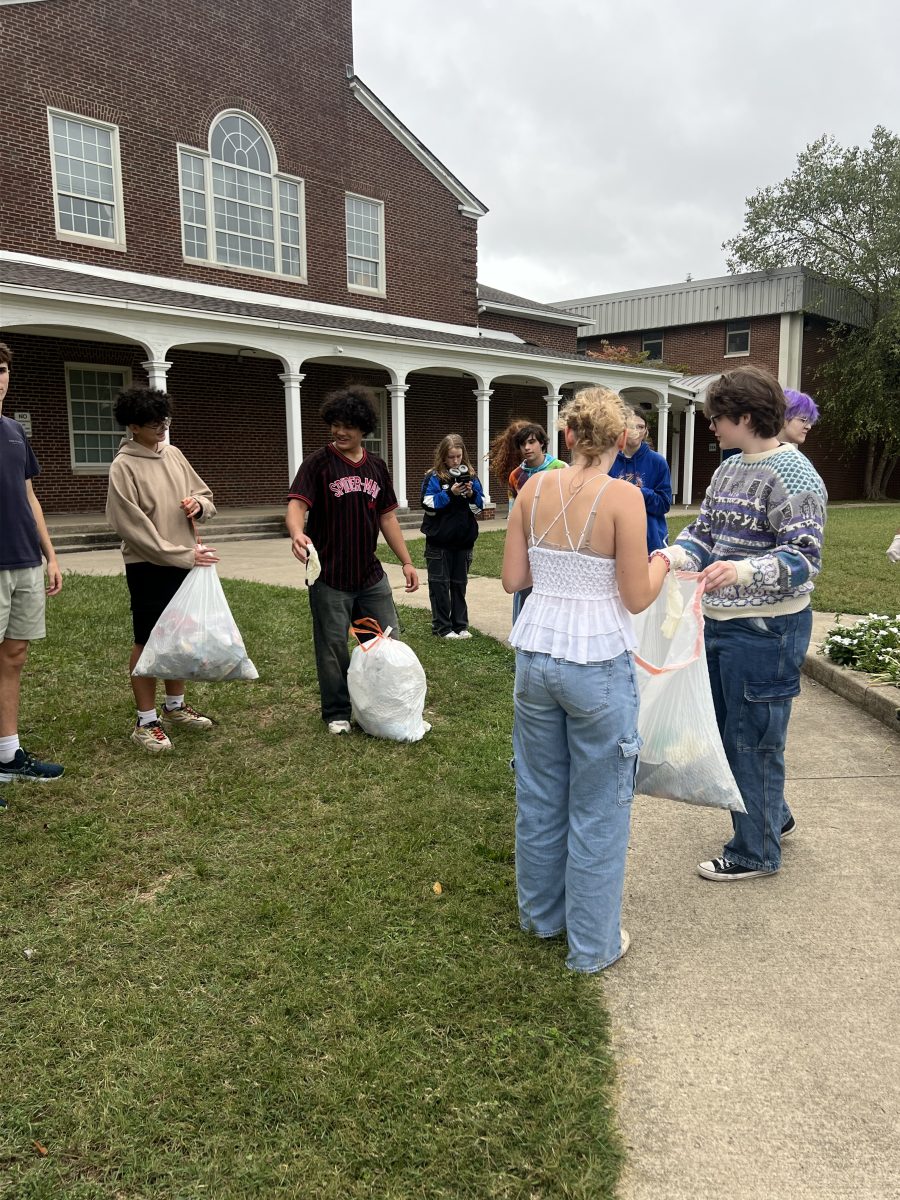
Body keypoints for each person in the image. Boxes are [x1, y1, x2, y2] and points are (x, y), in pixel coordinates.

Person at [502, 386, 672, 973]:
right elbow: (636, 596)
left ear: (567, 435)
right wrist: (664, 561)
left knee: (541, 792)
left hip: (535, 654)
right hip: (596, 661)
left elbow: (512, 579)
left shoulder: (532, 486)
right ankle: (593, 944)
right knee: (599, 805)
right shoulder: (623, 497)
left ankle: (542, 916)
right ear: (621, 439)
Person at [667, 366, 827, 882]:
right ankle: (771, 818)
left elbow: (804, 559)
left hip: (767, 630)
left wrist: (741, 570)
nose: (712, 427)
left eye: (717, 419)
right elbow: (705, 532)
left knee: (753, 738)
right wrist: (674, 557)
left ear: (745, 417)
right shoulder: (729, 469)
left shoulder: (796, 475)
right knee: (727, 731)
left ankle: (754, 852)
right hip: (719, 624)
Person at [286, 386, 419, 734]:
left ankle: (380, 703)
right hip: (329, 575)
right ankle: (337, 712)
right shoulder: (318, 464)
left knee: (382, 639)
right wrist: (297, 532)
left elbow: (387, 518)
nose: (340, 432)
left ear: (364, 428)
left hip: (369, 575)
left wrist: (405, 561)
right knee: (332, 647)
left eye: (348, 426)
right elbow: (297, 505)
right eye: (335, 424)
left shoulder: (377, 467)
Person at [106, 386, 220, 753]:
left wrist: (197, 505)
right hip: (148, 565)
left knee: (179, 636)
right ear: (133, 426)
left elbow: (206, 496)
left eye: (165, 420)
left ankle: (174, 707)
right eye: (154, 423)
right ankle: (145, 721)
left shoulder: (173, 454)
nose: (162, 428)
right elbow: (131, 527)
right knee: (148, 638)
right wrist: (179, 555)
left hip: (186, 559)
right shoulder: (123, 466)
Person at [0, 342, 64, 785]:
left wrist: (50, 554)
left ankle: (7, 754)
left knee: (15, 654)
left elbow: (28, 496)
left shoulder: (13, 430)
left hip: (23, 559)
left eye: (1, 369)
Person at [420, 433, 485, 639]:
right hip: (439, 542)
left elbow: (478, 508)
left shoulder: (471, 477)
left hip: (463, 541)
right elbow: (427, 503)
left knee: (459, 584)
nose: (455, 461)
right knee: (439, 584)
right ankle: (442, 627)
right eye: (451, 457)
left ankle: (460, 626)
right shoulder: (434, 477)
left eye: (458, 456)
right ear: (443, 457)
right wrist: (450, 494)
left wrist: (470, 494)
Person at [504, 423, 567, 623]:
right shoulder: (516, 476)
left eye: (532, 442)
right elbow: (513, 512)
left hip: (557, 541)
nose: (527, 448)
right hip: (528, 542)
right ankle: (522, 629)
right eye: (523, 444)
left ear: (542, 443)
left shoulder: (560, 469)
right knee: (525, 587)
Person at [608, 407, 673, 552]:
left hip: (650, 541)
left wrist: (637, 492)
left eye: (641, 427)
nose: (636, 431)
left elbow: (664, 504)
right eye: (631, 426)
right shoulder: (609, 459)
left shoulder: (657, 462)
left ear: (646, 431)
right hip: (614, 539)